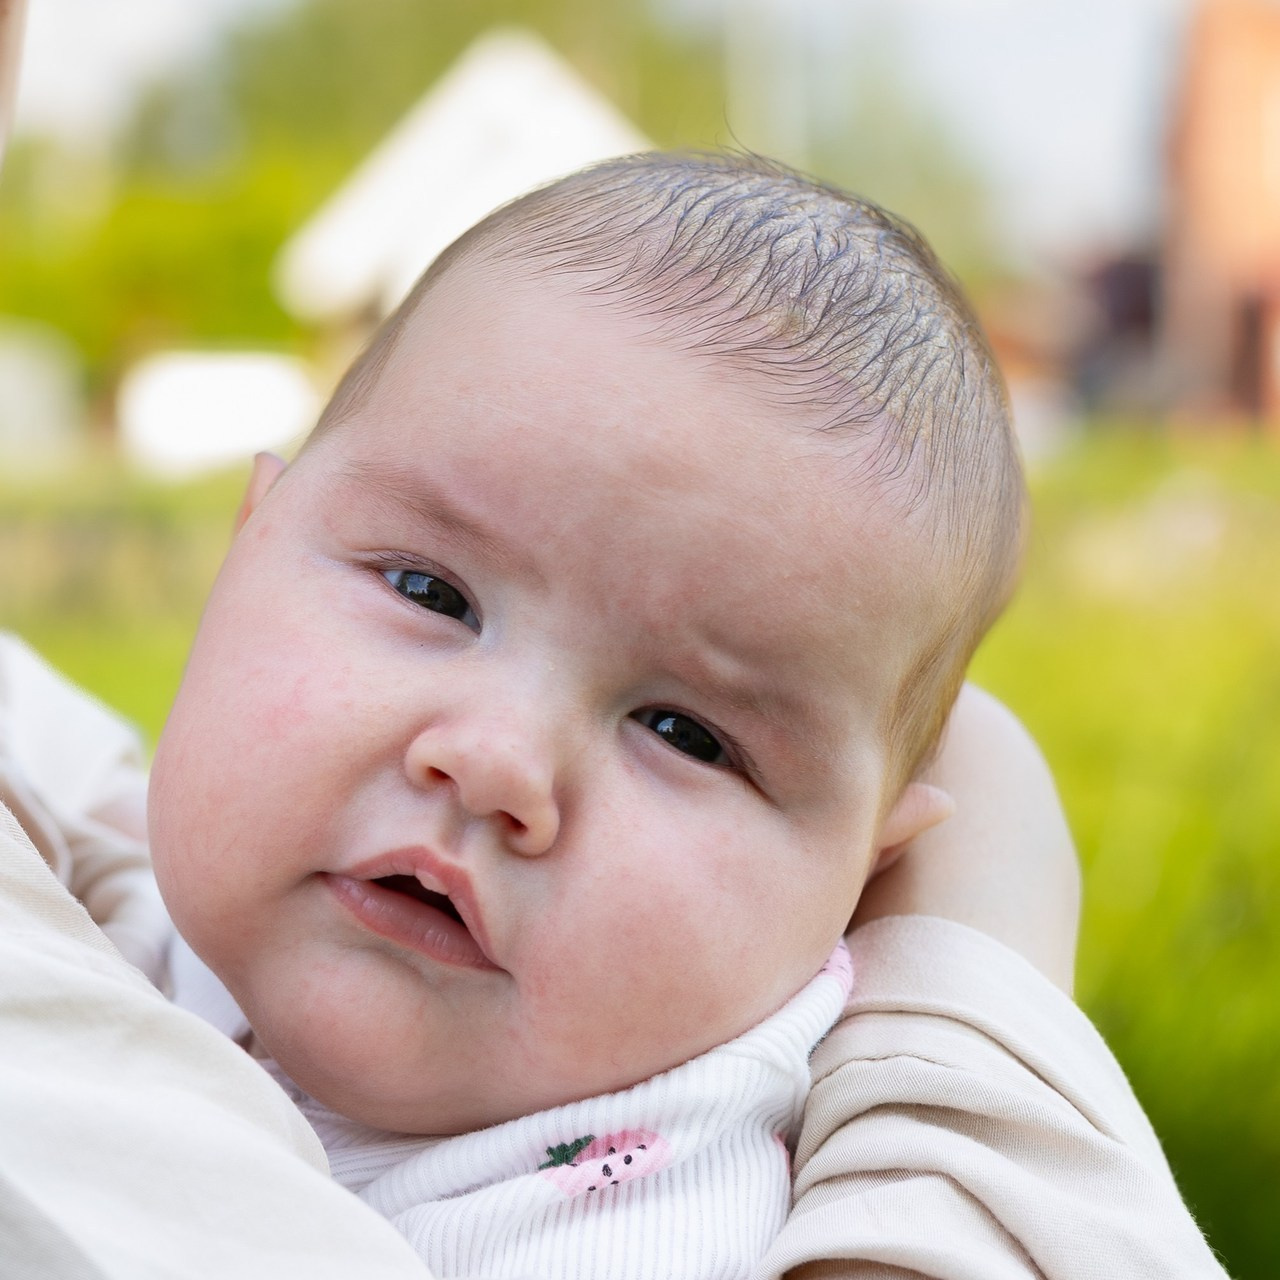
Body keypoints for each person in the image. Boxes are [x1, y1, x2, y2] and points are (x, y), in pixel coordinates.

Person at [0, 4, 1227, 1276]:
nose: (496, 765)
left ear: (857, 884)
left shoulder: (653, 1224)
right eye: (429, 590)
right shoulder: (117, 903)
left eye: (685, 732)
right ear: (246, 542)